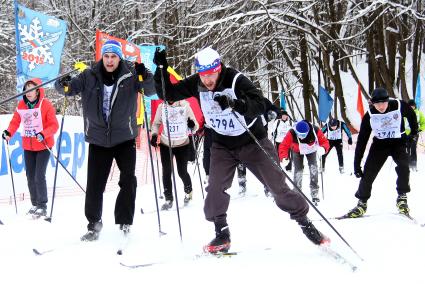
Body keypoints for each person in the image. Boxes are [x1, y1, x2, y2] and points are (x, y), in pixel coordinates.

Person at [153, 46, 328, 253]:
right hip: (222, 144)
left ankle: (305, 223)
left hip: (252, 141)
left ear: (219, 68)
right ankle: (222, 233)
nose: (207, 80)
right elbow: (168, 93)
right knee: (215, 188)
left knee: (277, 187)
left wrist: (236, 104)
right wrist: (161, 69)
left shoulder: (236, 79)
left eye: (211, 74)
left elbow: (259, 103)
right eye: (203, 75)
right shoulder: (196, 83)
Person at [55, 40, 155, 241]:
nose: (109, 61)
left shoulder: (131, 74)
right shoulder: (89, 75)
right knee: (95, 184)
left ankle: (124, 220)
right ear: (103, 57)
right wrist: (62, 83)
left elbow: (151, 90)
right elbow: (68, 90)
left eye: (114, 57)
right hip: (99, 139)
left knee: (128, 181)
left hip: (124, 137)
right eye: (106, 56)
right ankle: (94, 224)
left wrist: (147, 74)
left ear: (119, 58)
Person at [342, 88, 418, 218]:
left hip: (398, 143)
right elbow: (362, 140)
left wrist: (413, 133)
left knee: (404, 167)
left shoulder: (398, 105)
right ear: (372, 103)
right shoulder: (370, 115)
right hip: (380, 145)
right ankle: (362, 203)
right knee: (368, 173)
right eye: (377, 104)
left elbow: (411, 115)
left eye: (383, 103)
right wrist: (356, 164)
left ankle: (402, 198)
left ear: (388, 101)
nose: (381, 106)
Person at [2, 78, 59, 218]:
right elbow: (15, 121)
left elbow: (54, 125)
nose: (28, 92)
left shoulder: (45, 105)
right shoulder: (22, 104)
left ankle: (42, 205)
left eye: (31, 88)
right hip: (28, 146)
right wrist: (9, 132)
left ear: (38, 90)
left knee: (39, 175)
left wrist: (43, 134)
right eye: (26, 88)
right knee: (30, 176)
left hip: (43, 145)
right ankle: (34, 204)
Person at [150, 98, 199, 210]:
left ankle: (188, 191)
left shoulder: (185, 106)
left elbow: (195, 125)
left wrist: (192, 125)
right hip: (165, 143)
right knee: (166, 171)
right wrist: (154, 135)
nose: (169, 99)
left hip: (182, 143)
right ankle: (169, 199)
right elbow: (156, 123)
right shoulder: (162, 107)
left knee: (182, 171)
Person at [278, 120, 329, 205]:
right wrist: (284, 157)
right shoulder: (291, 132)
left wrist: (323, 148)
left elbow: (324, 142)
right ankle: (297, 192)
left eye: (304, 135)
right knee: (298, 170)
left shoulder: (315, 130)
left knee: (314, 168)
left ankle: (314, 191)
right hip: (297, 150)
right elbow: (284, 145)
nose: (301, 137)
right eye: (299, 135)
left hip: (311, 150)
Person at [405, 100, 425, 171]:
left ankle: (413, 165)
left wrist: (420, 129)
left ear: (415, 106)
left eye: (412, 106)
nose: (411, 107)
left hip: (415, 134)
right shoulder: (405, 113)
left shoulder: (419, 113)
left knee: (413, 149)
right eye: (410, 106)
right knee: (406, 149)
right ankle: (406, 164)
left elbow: (423, 123)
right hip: (406, 134)